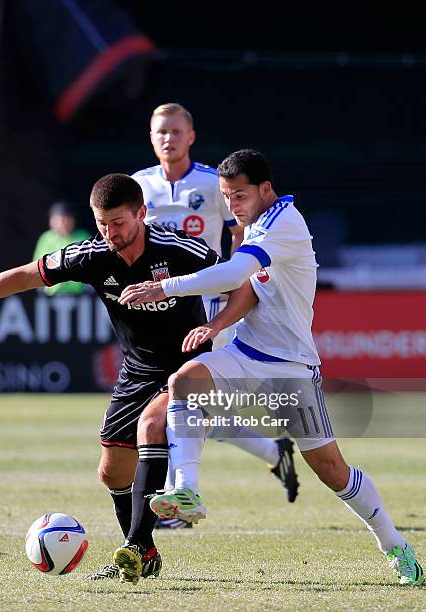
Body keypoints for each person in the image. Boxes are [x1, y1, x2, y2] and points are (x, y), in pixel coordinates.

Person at [0, 173, 256, 585]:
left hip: (189, 366)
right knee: (112, 472)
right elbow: (24, 276)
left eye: (118, 222)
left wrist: (219, 326)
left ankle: (134, 548)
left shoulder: (180, 249)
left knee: (151, 425)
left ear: (141, 213)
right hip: (138, 370)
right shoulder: (92, 255)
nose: (110, 232)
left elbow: (242, 286)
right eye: (102, 223)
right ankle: (147, 553)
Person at [118, 150, 425, 586]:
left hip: (292, 368)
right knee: (183, 383)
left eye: (239, 195)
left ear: (266, 188)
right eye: (225, 197)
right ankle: (186, 489)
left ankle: (395, 545)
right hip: (246, 353)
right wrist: (216, 325)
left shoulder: (285, 222)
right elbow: (249, 289)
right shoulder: (255, 224)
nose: (232, 205)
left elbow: (235, 272)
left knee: (332, 471)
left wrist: (163, 287)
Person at [132, 104, 298, 527]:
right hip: (155, 306)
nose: (167, 138)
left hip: (203, 305)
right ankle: (271, 451)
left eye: (175, 130)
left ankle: (177, 502)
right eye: (160, 132)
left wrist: (236, 284)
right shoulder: (139, 186)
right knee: (192, 405)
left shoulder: (212, 183)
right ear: (151, 138)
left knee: (182, 402)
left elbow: (243, 230)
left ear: (191, 136)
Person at [33, 201, 90, 296]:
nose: (62, 223)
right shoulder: (46, 238)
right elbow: (37, 265)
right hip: (51, 296)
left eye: (66, 219)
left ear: (73, 220)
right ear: (51, 221)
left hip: (80, 296)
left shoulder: (83, 237)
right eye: (58, 220)